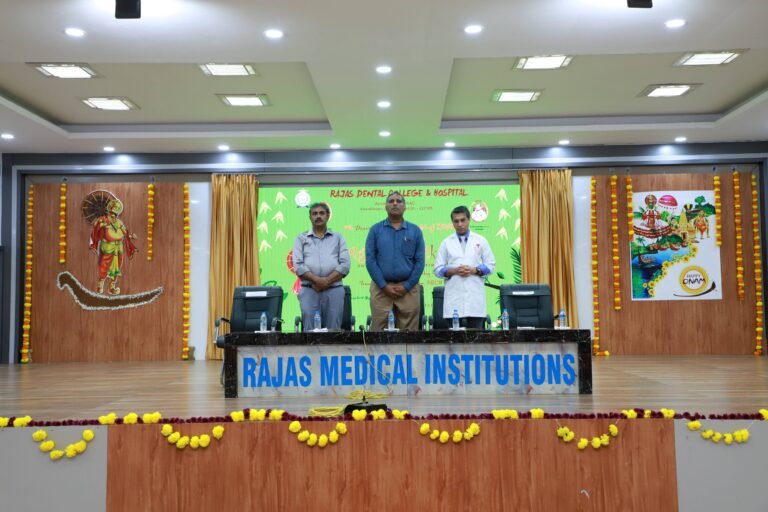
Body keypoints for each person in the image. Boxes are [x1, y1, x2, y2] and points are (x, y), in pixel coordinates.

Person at [365, 191, 425, 331]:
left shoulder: (415, 231)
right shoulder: (375, 230)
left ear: (405, 206)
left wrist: (407, 286)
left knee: (409, 334)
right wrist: (383, 285)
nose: (395, 203)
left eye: (399, 201)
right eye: (391, 201)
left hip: (408, 289)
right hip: (381, 289)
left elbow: (420, 262)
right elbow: (370, 260)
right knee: (379, 332)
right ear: (385, 206)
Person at [434, 205, 496, 329]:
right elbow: (437, 269)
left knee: (476, 337)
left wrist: (475, 270)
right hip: (454, 299)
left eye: (463, 220)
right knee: (454, 339)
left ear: (469, 220)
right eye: (456, 221)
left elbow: (491, 265)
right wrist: (453, 271)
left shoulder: (481, 240)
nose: (460, 224)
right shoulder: (446, 242)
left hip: (475, 299)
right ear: (452, 222)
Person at [292, 202, 350, 330]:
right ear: (310, 217)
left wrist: (326, 281)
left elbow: (345, 265)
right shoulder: (300, 238)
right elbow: (298, 266)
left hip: (334, 289)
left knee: (333, 331)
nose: (318, 216)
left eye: (321, 213)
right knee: (310, 332)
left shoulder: (338, 237)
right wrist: (317, 281)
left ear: (328, 216)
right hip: (309, 289)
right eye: (314, 213)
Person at [89, 198, 138, 295]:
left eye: (115, 214)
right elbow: (96, 228)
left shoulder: (118, 223)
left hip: (118, 248)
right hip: (107, 247)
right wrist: (101, 225)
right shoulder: (103, 220)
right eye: (111, 213)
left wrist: (131, 236)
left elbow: (125, 232)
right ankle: (100, 286)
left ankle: (112, 287)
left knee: (116, 269)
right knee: (104, 266)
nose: (113, 215)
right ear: (109, 211)